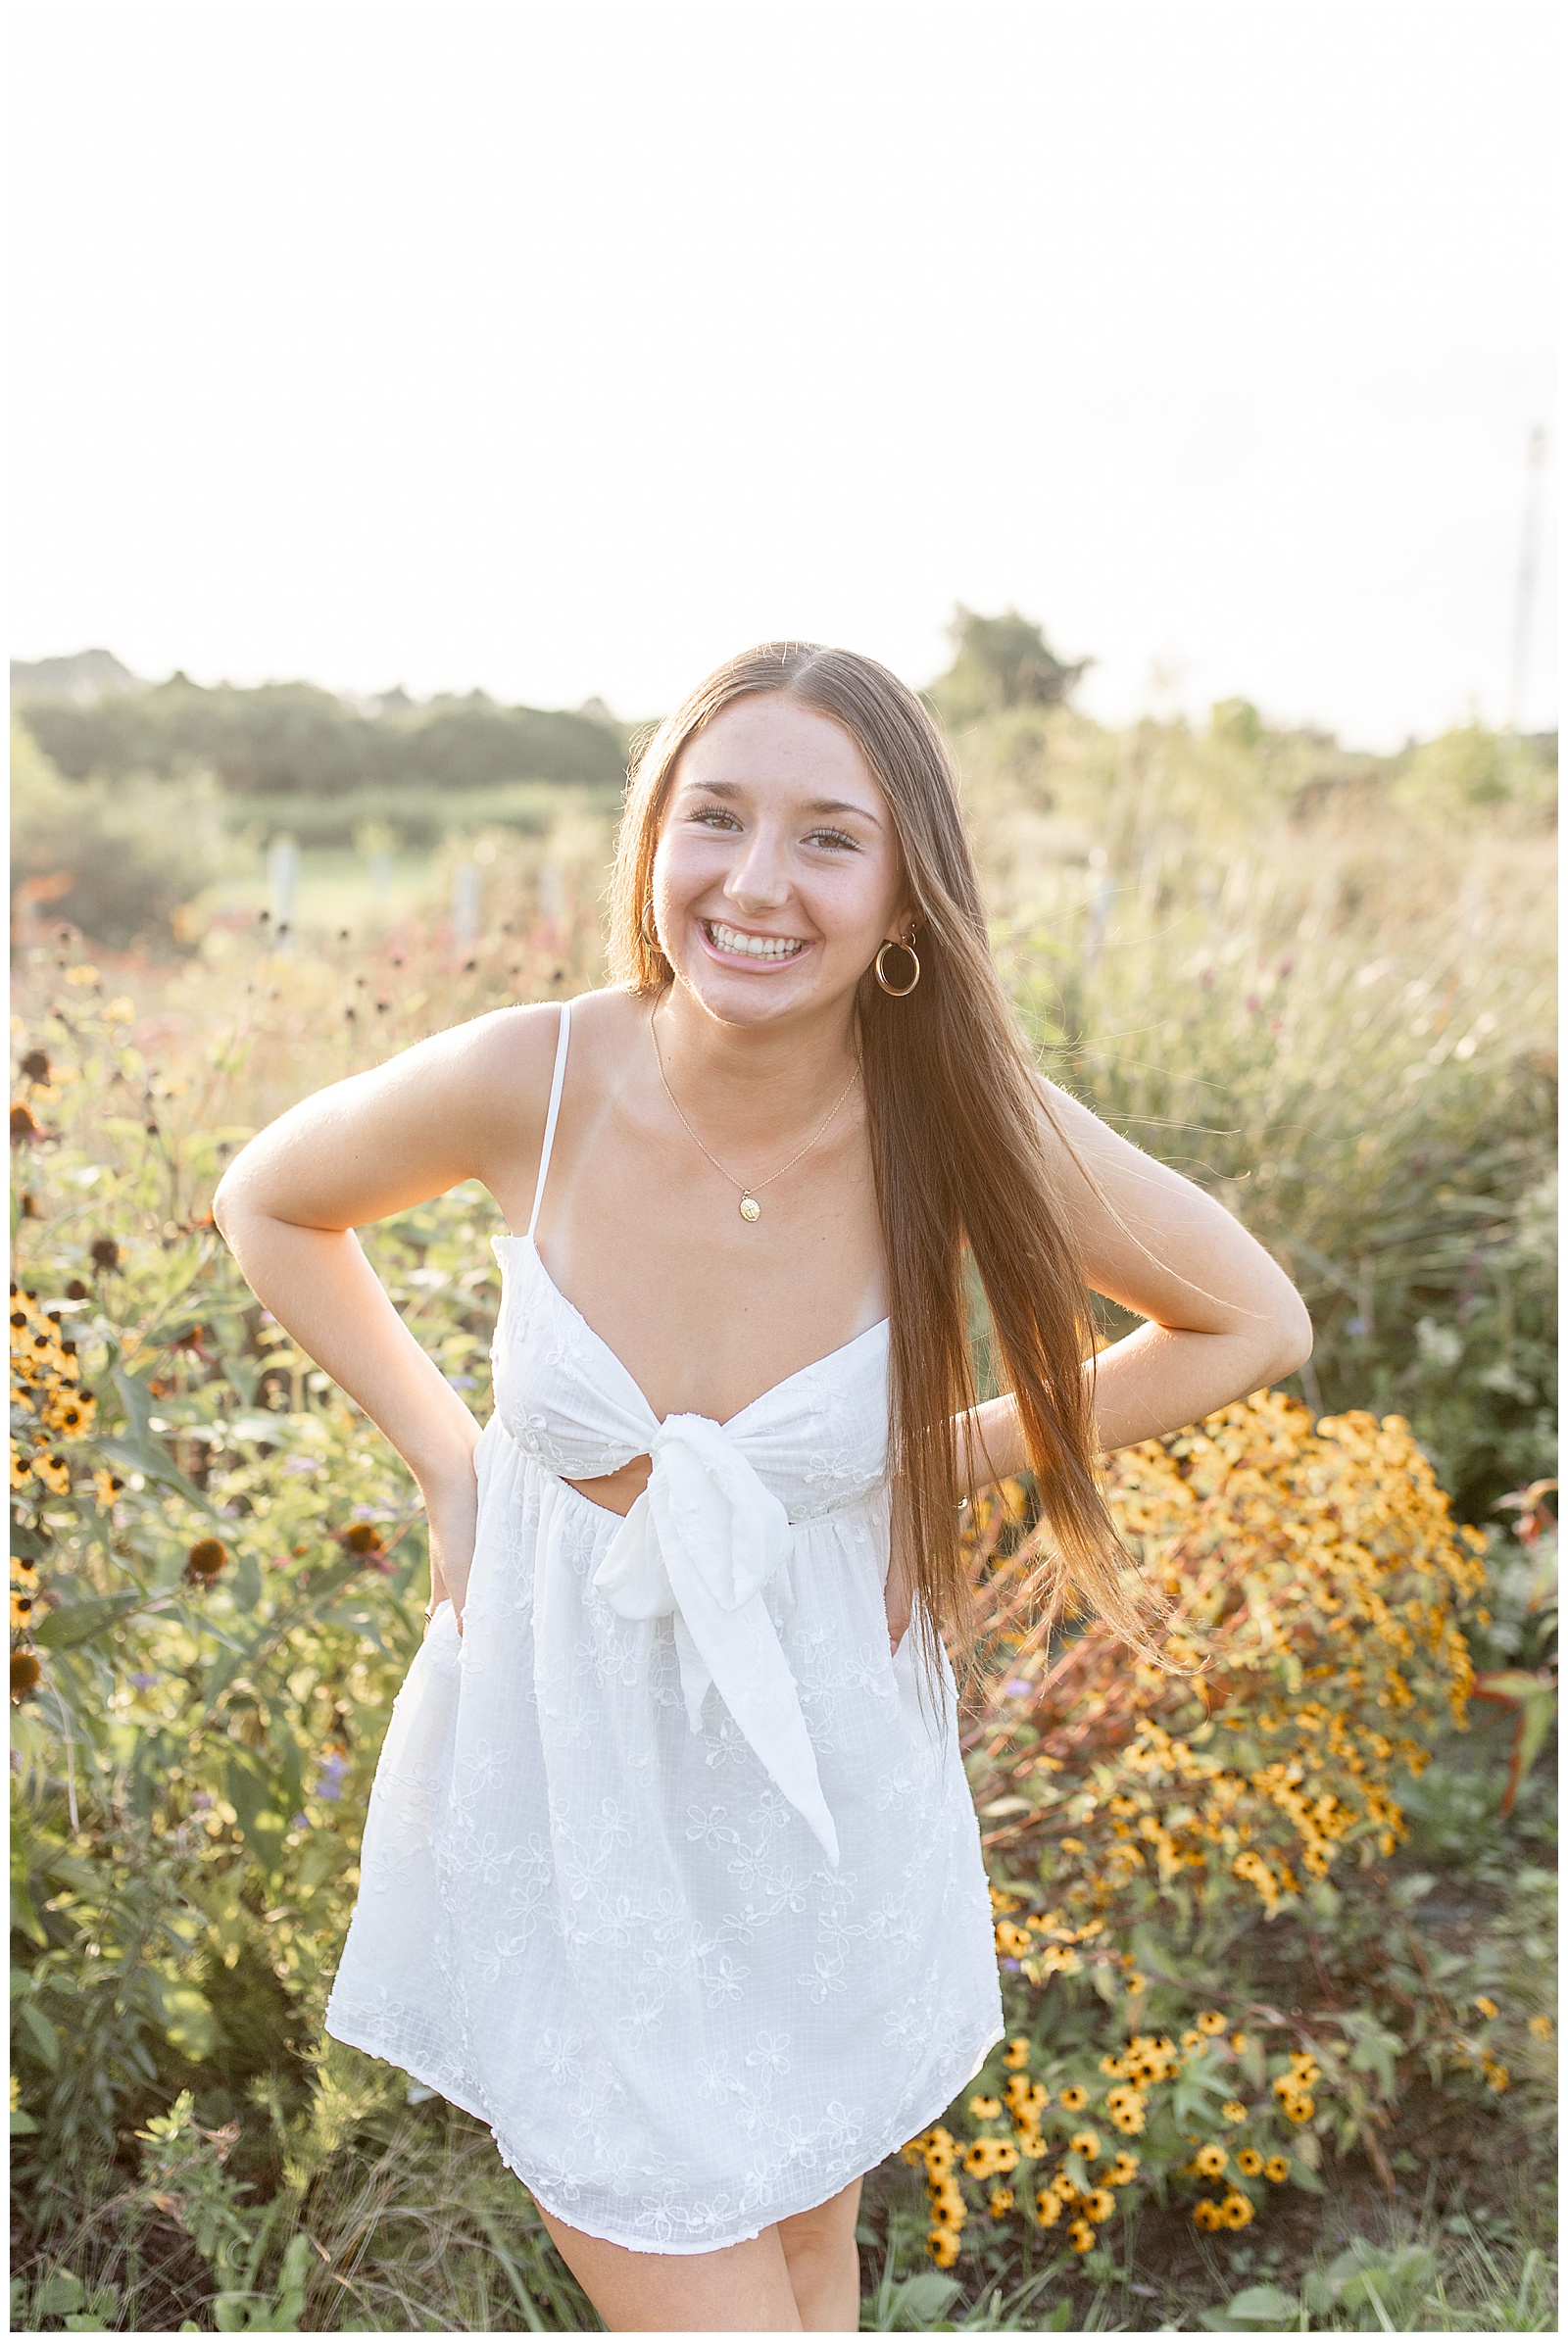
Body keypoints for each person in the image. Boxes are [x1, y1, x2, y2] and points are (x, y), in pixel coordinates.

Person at [213, 642, 1311, 2333]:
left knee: (807, 2264)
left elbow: (1248, 1317)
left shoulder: (957, 1118)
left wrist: (937, 1455)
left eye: (827, 836)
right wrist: (446, 1455)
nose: (755, 880)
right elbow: (273, 1199)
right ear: (653, 838)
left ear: (905, 893)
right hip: (568, 1767)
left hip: (817, 1770)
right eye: (714, 815)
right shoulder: (538, 1074)